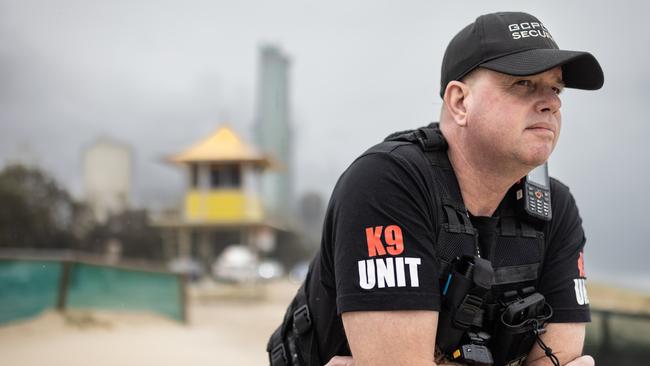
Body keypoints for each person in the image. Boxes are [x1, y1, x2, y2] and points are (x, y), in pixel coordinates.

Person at [268, 11, 603, 366]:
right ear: (460, 101)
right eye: (523, 84)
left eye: (555, 87)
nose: (552, 102)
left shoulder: (555, 208)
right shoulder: (389, 183)